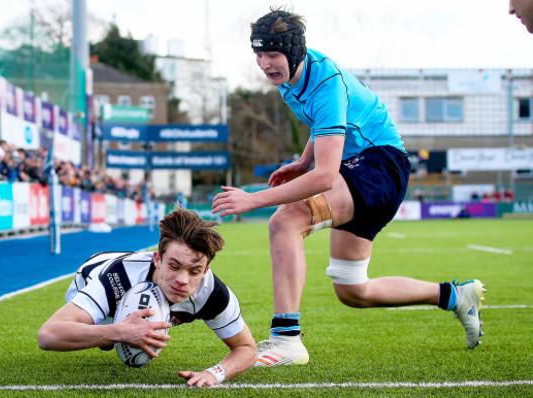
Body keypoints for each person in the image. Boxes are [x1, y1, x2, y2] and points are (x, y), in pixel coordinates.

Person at [211, 7, 486, 367]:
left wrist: (253, 200)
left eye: (272, 54)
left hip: (379, 166)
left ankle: (286, 339)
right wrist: (301, 162)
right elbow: (323, 126)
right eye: (259, 55)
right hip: (361, 171)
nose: (264, 63)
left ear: (294, 51)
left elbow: (326, 176)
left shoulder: (326, 84)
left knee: (285, 220)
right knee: (353, 288)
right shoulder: (290, 80)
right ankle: (454, 295)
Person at [38, 208, 257, 387]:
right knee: (103, 335)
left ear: (206, 270)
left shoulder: (212, 293)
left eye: (194, 271)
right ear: (157, 259)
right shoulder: (116, 279)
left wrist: (215, 374)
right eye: (174, 266)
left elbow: (247, 348)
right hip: (92, 272)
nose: (182, 280)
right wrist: (118, 332)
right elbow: (48, 335)